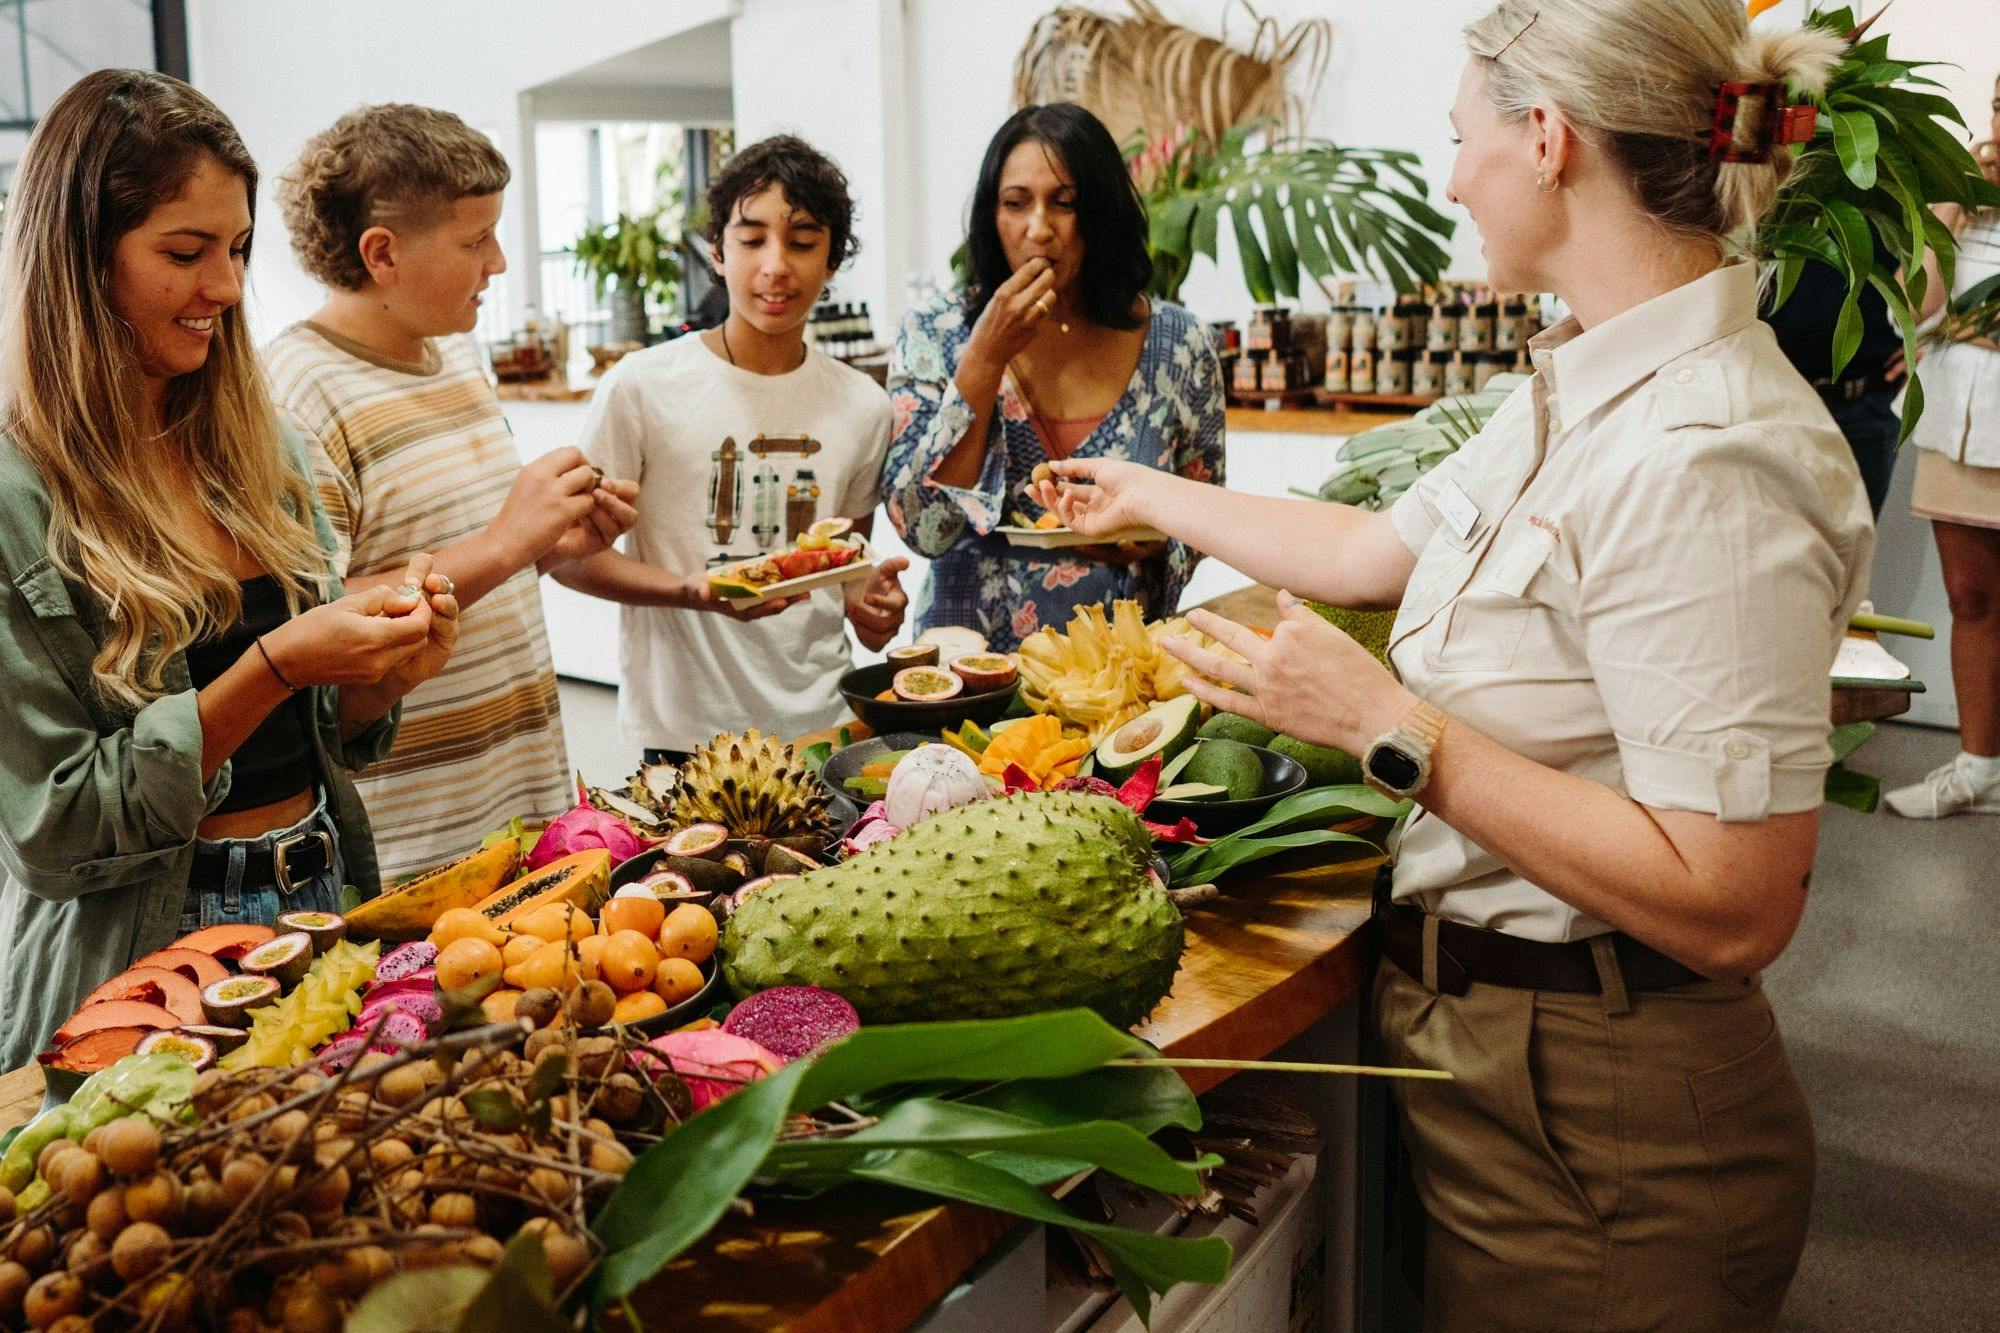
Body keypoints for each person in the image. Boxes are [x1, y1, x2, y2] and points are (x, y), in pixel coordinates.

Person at [1036, 3, 1869, 1327]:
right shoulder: (1579, 394)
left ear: (1546, 140)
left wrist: (1393, 728)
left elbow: (1735, 898)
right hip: (1498, 1064)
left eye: (1459, 138)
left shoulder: (1706, 457)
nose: (1448, 176)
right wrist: (1144, 491)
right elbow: (1375, 550)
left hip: (1610, 1117)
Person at [0, 71, 460, 1066]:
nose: (224, 286)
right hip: (144, 955)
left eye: (238, 247)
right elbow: (56, 828)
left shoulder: (265, 446)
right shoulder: (18, 495)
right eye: (184, 251)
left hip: (320, 885)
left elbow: (317, 736)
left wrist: (381, 674)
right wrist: (276, 666)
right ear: (79, 257)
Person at [266, 104, 638, 885]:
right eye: (475, 241)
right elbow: (310, 622)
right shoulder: (295, 394)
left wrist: (546, 546)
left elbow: (460, 558)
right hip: (416, 848)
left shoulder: (460, 356)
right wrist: (506, 539)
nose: (498, 262)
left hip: (523, 805)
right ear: (382, 254)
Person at [559, 136, 908, 758]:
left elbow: (843, 562)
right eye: (751, 240)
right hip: (684, 735)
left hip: (823, 720)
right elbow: (568, 558)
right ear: (717, 252)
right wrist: (687, 590)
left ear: (832, 262)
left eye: (802, 242)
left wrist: (872, 604)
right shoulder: (641, 386)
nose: (776, 265)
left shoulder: (863, 404)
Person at [884, 103, 1224, 651]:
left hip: (1122, 667)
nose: (1039, 229)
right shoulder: (936, 334)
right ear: (990, 216)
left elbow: (1208, 510)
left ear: (1102, 214)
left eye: (1065, 204)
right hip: (970, 667)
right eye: (1016, 204)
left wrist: (1152, 544)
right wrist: (983, 359)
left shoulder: (1181, 345)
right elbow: (924, 527)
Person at [1886, 79, 2000, 819]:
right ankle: (1980, 769)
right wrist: (1949, 206)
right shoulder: (1964, 188)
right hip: (1960, 410)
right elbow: (1917, 304)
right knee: (1972, 596)